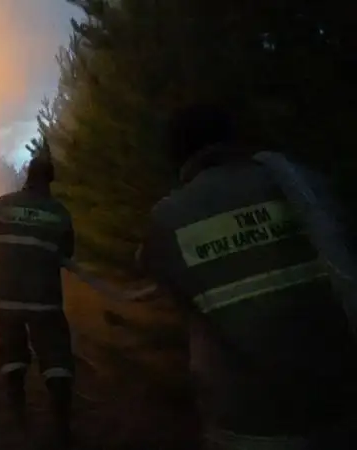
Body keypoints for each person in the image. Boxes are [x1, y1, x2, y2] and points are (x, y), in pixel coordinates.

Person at [137, 103, 357, 449]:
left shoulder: (168, 217)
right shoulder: (304, 184)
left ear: (177, 154)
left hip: (248, 421)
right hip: (340, 408)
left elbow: (168, 285)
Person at [0, 154, 76, 448]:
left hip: (4, 298)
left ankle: (19, 417)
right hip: (43, 301)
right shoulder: (59, 213)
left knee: (11, 353)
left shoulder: (2, 205)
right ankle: (60, 425)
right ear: (50, 180)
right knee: (55, 355)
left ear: (27, 176)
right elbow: (66, 254)